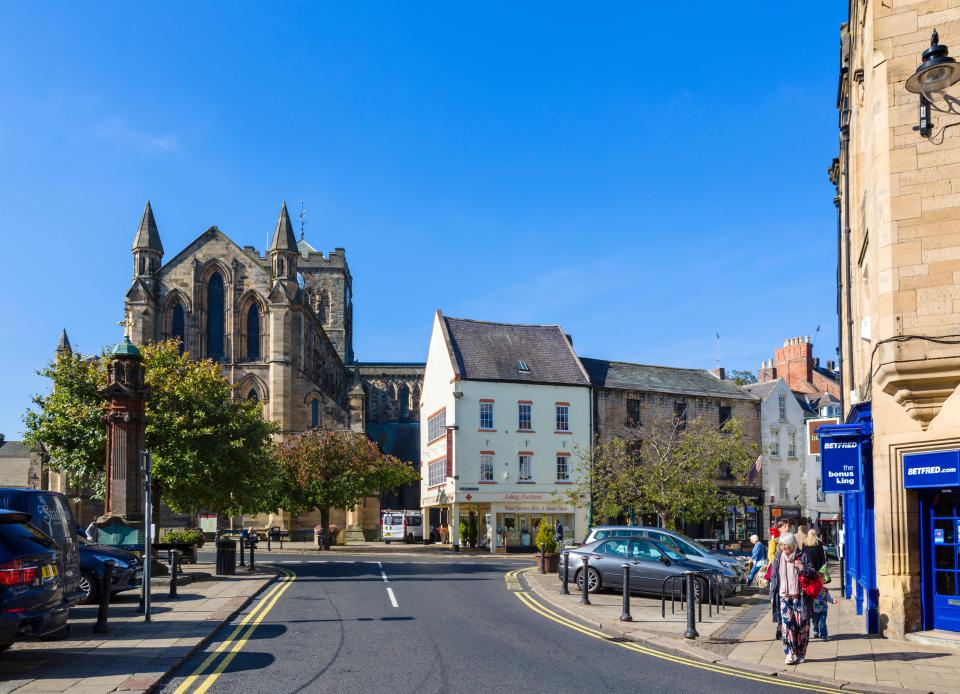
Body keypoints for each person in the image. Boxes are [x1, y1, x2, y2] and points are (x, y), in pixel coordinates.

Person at [769, 533, 814, 665]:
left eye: (786, 545)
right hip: (784, 597)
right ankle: (789, 653)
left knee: (802, 627)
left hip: (799, 598)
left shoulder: (802, 557)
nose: (783, 548)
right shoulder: (778, 557)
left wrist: (802, 568)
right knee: (787, 627)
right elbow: (773, 577)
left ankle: (801, 654)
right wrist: (772, 595)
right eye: (781, 545)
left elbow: (813, 573)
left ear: (793, 545)